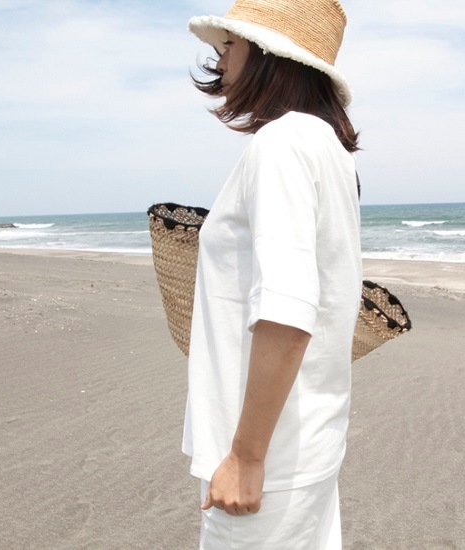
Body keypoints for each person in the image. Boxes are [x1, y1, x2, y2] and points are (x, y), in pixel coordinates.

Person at [185, 0, 361, 547]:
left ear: (268, 55)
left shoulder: (282, 143)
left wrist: (246, 457)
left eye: (230, 45)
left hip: (270, 458)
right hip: (308, 442)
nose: (220, 60)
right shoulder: (327, 147)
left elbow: (288, 309)